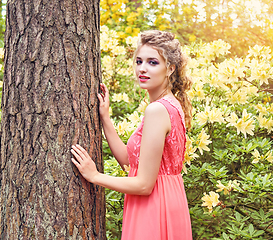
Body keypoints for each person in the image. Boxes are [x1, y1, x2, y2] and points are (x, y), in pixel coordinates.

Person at [71, 30, 193, 240]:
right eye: (139, 61)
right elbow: (130, 162)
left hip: (154, 208)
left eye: (153, 62)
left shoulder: (157, 110)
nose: (142, 69)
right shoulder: (173, 105)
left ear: (170, 69)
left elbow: (144, 185)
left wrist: (94, 176)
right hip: (168, 202)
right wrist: (105, 118)